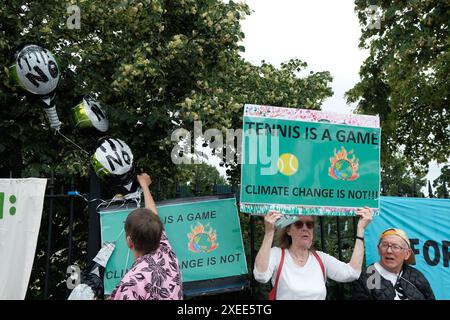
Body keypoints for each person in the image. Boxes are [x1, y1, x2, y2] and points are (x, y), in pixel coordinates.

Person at [253, 207, 373, 300]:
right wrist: (269, 232)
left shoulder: (321, 259)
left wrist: (360, 230)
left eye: (309, 225)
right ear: (288, 230)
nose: (305, 228)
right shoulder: (277, 254)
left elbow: (352, 273)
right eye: (299, 224)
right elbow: (260, 276)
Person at [110, 173, 183, 300]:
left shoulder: (130, 284)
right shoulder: (166, 253)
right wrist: (144, 185)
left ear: (129, 242)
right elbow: (152, 215)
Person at [352, 228, 435, 300]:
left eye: (395, 247)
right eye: (384, 245)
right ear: (378, 249)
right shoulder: (365, 278)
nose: (389, 251)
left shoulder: (416, 276)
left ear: (407, 254)